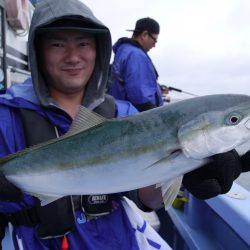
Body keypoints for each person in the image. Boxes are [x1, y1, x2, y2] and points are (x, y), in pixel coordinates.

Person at [0, 1, 249, 250]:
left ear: (98, 50)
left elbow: (147, 198)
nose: (73, 56)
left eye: (83, 43)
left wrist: (187, 173)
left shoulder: (122, 113)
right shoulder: (6, 116)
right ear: (38, 50)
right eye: (58, 44)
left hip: (115, 240)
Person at [108, 17, 164, 111]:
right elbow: (139, 95)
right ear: (145, 35)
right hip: (137, 118)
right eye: (154, 40)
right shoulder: (135, 55)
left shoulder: (124, 50)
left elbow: (131, 82)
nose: (154, 45)